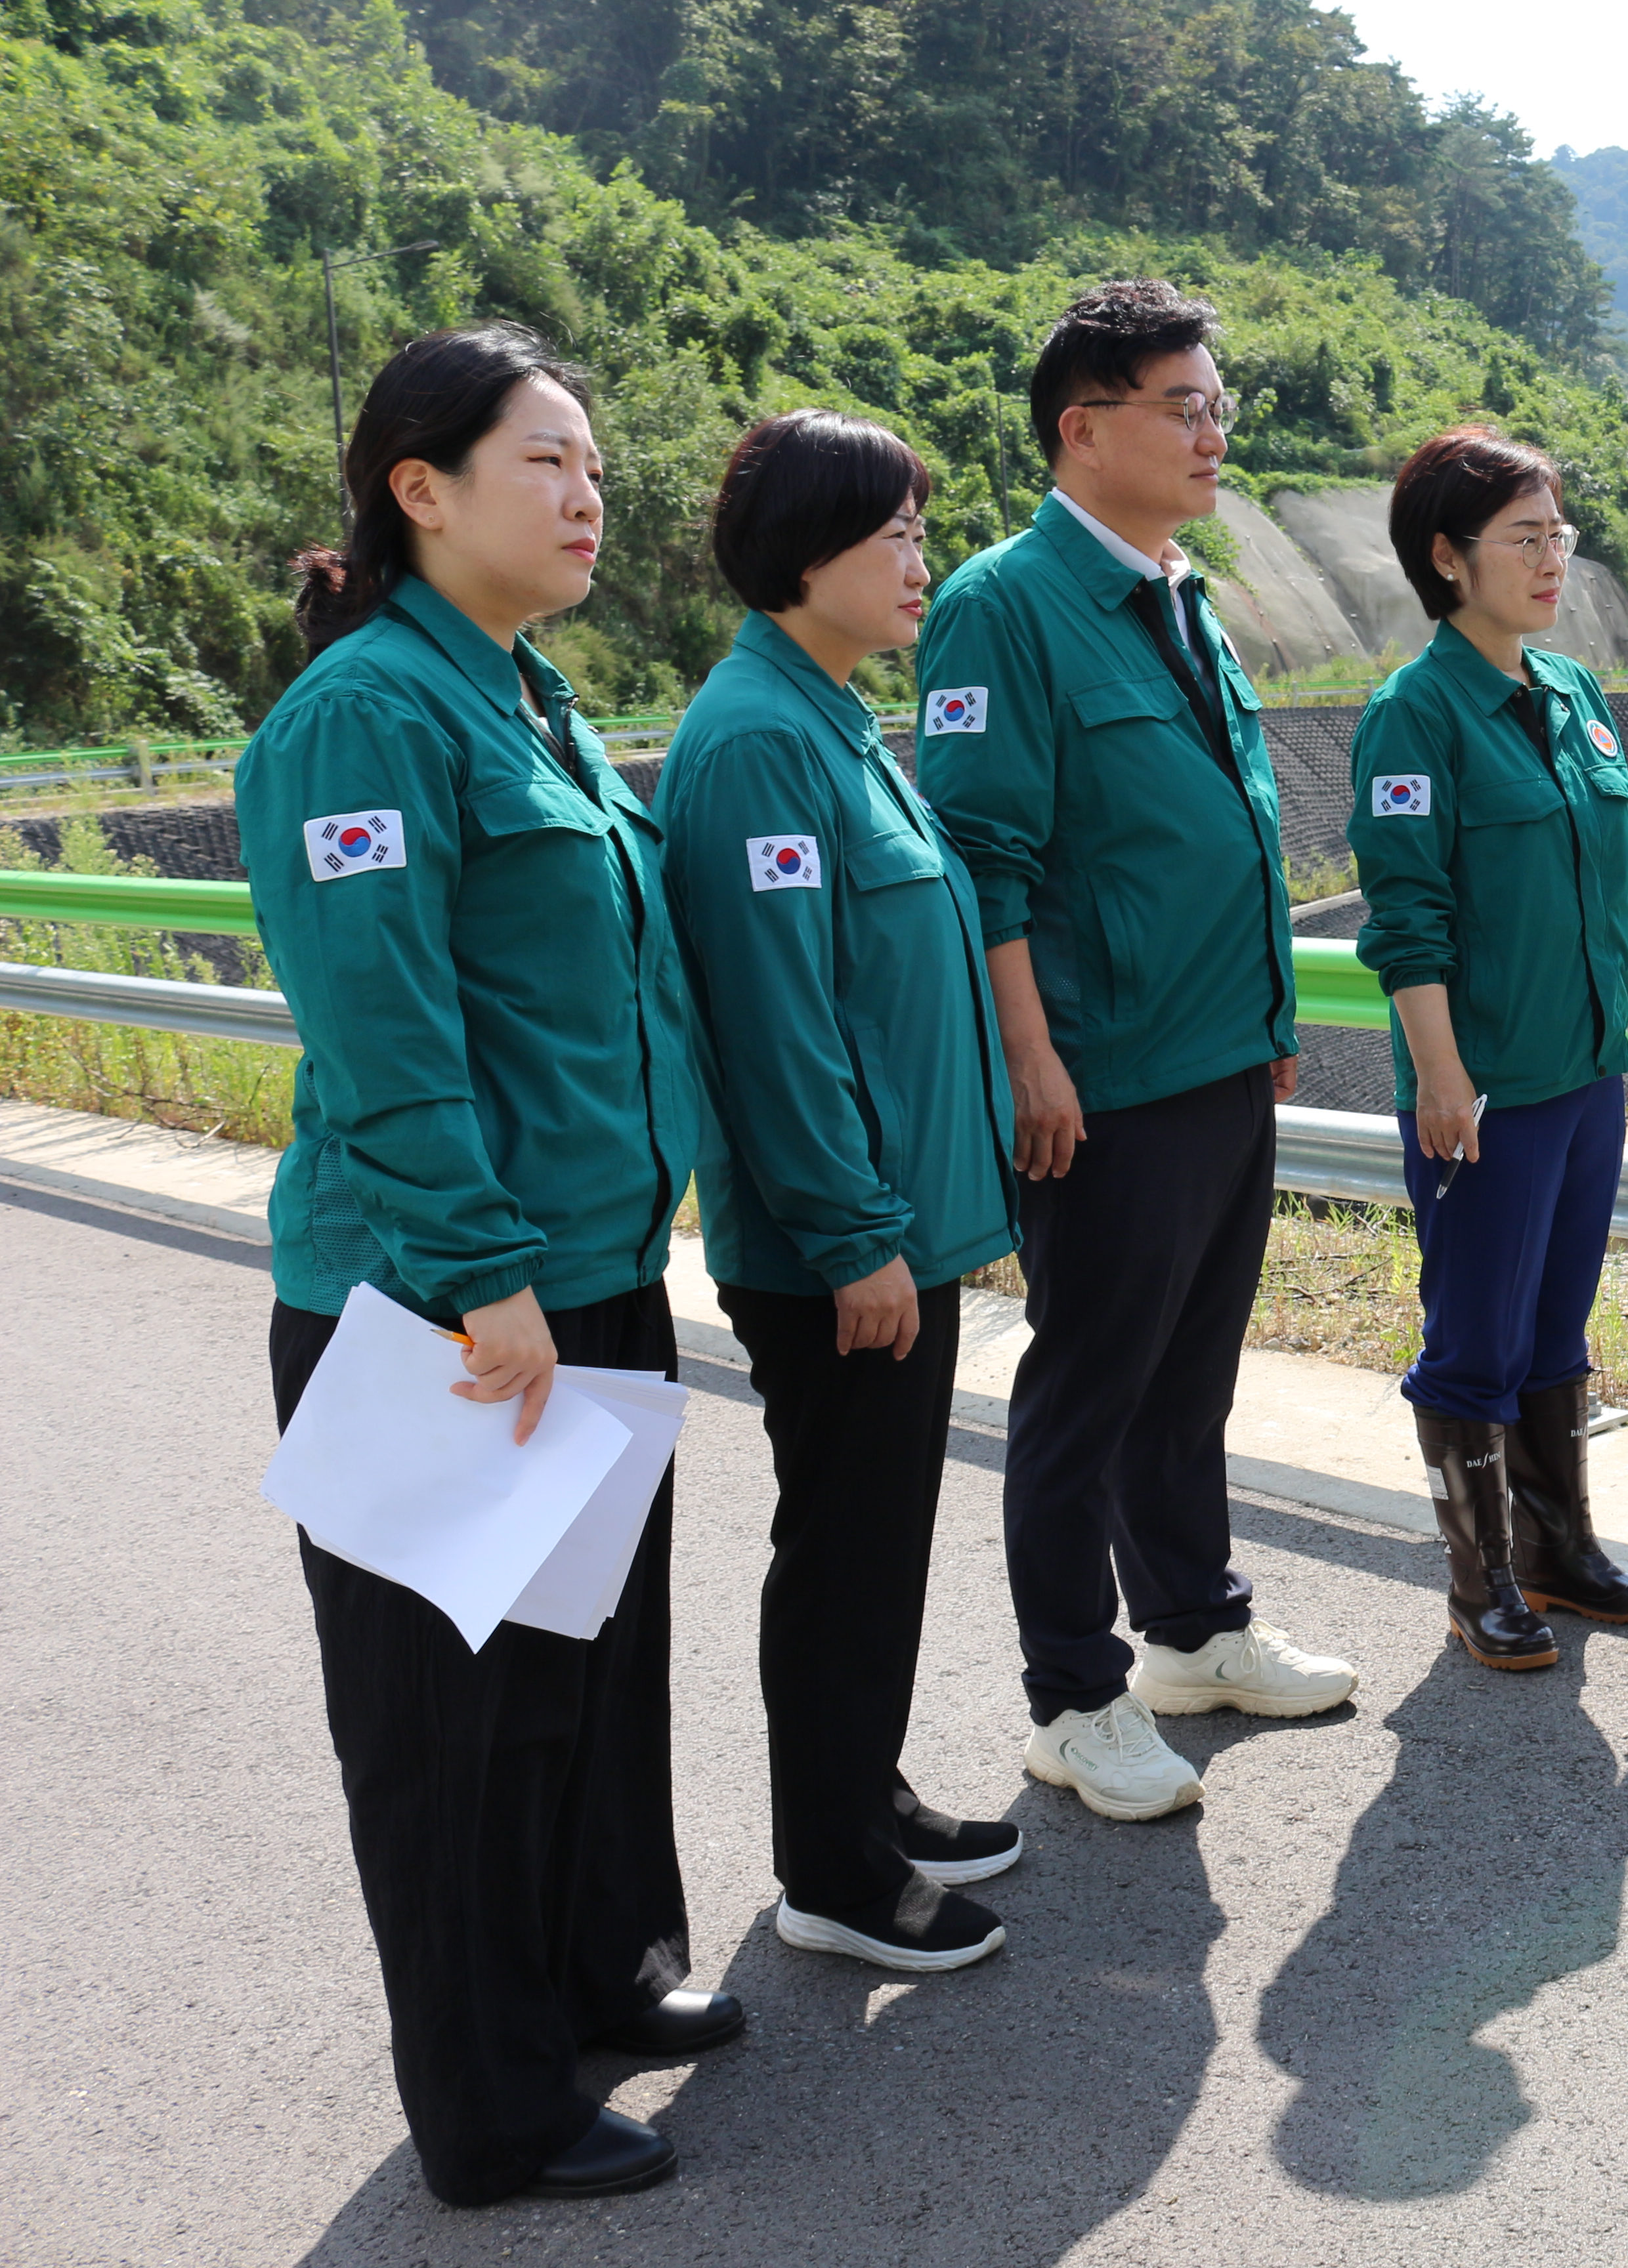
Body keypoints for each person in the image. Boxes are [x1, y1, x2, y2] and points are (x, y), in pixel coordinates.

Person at [234, 324, 723, 2205]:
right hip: (448, 1302)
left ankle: (593, 1986)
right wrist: (476, 1271)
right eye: (546, 461)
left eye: (595, 464)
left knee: (574, 1681)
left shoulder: (535, 698)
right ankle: (491, 2107)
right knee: (454, 1723)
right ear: (419, 490)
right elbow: (383, 1024)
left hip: (582, 1271)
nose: (588, 494)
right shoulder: (366, 715)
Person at [916, 279, 1358, 1820]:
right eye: (1185, 405)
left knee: (1192, 1375)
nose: (1212, 431)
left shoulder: (1179, 591)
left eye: (1218, 406)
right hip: (1103, 1076)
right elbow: (987, 856)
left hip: (1222, 1057)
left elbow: (1226, 824)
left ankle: (1194, 1632)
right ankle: (1074, 1696)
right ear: (1081, 426)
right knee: (1087, 1390)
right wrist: (1034, 1059)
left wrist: (1270, 1027)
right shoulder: (1000, 604)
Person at [658, 410, 1022, 1973]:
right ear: (808, 553)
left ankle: (859, 1797)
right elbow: (777, 1018)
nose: (920, 564)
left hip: (891, 1227)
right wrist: (860, 1233)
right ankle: (831, 1871)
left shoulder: (825, 716)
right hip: (840, 1248)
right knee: (846, 1551)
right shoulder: (753, 740)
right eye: (895, 537)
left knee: (876, 1540)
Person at [1347, 428, 1628, 1669]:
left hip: (1585, 1071)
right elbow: (1407, 912)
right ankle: (1478, 1578)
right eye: (1525, 538)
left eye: (1560, 536)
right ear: (1448, 558)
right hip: (1485, 1090)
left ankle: (1561, 1550)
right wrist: (1439, 1072)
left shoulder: (1574, 693)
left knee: (1558, 1320)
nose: (1553, 560)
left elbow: (1626, 872)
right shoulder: (1415, 714)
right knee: (1476, 1333)